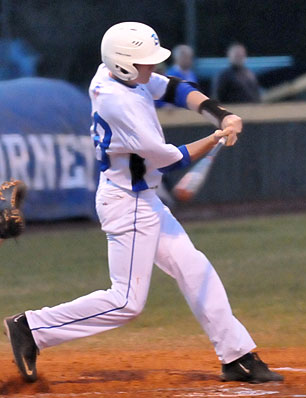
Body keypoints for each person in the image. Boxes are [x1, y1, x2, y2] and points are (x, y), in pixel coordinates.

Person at [3, 22, 283, 385]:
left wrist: (220, 113)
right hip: (128, 203)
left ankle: (237, 357)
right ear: (124, 65)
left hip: (141, 198)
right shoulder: (119, 103)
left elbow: (173, 88)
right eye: (145, 62)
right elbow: (170, 160)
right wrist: (215, 137)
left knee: (195, 269)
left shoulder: (118, 74)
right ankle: (30, 327)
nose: (152, 68)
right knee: (126, 302)